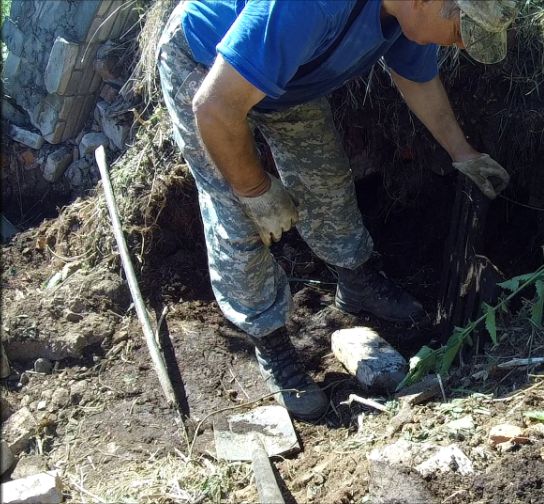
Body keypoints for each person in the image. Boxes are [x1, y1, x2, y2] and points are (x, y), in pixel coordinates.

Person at [156, 0, 517, 420]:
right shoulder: (310, 6)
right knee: (237, 213)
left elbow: (416, 77)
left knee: (326, 179)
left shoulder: (409, 15)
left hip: (290, 73)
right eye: (460, 31)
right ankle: (270, 339)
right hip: (207, 67)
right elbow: (214, 107)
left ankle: (356, 281)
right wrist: (256, 190)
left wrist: (462, 153)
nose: (461, 44)